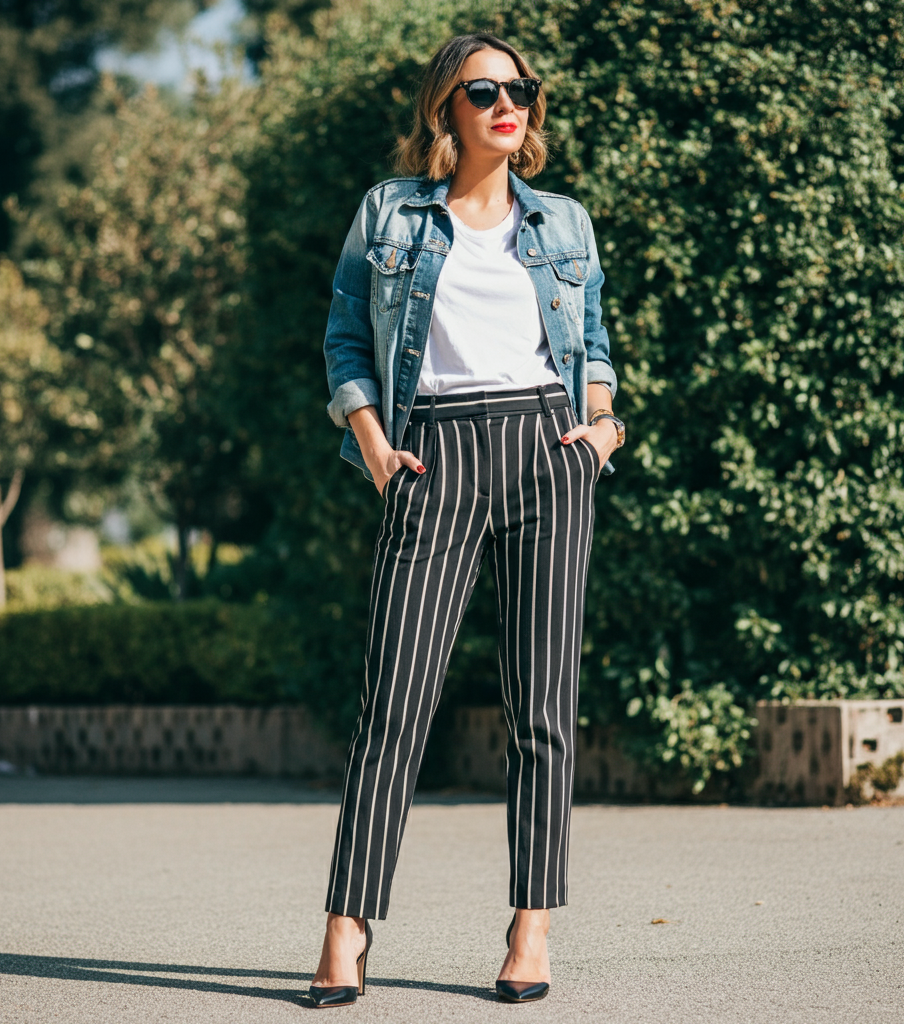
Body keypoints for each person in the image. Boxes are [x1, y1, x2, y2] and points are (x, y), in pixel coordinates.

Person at [306, 31, 625, 1009]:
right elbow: (345, 333)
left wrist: (602, 429)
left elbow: (593, 339)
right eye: (482, 89)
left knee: (540, 713)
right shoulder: (391, 215)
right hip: (433, 453)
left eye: (519, 89)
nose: (506, 103)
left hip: (546, 450)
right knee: (393, 707)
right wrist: (370, 443)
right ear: (445, 106)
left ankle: (530, 930)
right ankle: (346, 930)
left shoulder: (562, 222)